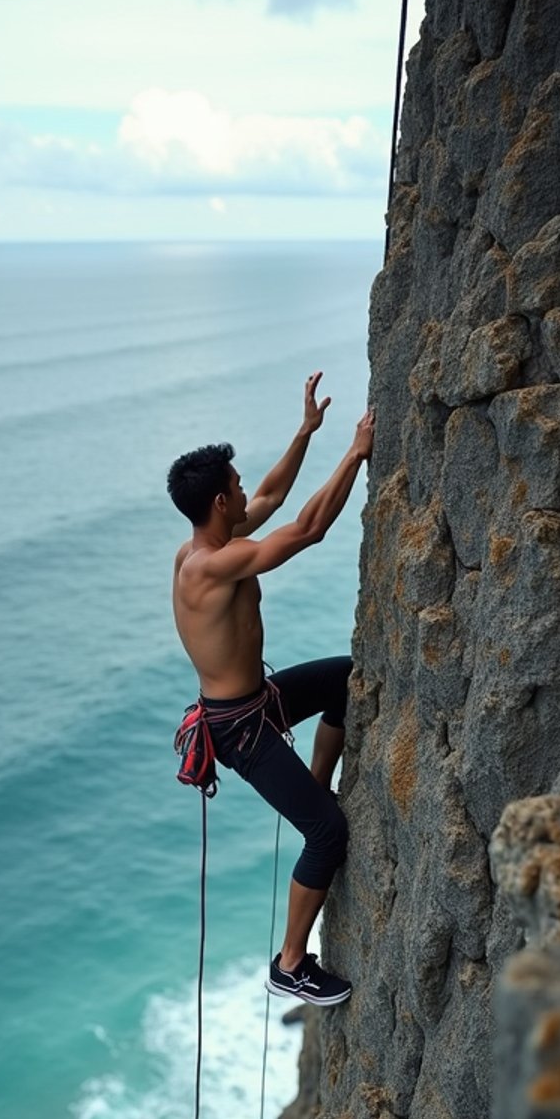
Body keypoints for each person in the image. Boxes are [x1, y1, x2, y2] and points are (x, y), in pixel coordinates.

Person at [168, 371, 374, 1006]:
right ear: (219, 506)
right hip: (240, 730)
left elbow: (274, 496)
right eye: (233, 485)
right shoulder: (210, 565)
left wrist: (307, 432)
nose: (243, 489)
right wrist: (354, 455)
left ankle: (314, 781)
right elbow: (306, 530)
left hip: (256, 702)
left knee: (345, 678)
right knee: (327, 834)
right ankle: (290, 964)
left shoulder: (209, 539)